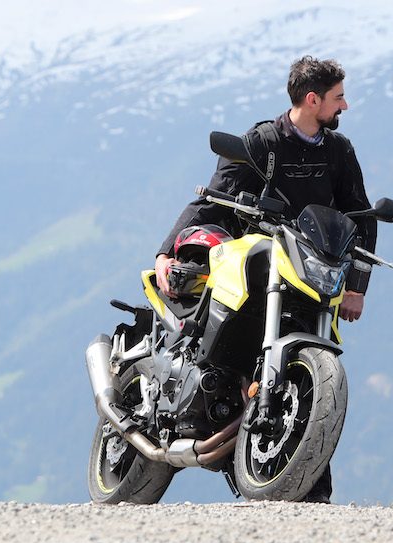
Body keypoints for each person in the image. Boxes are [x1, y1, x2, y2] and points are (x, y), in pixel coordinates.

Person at [153, 56, 377, 503]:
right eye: (338, 97)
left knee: (310, 374)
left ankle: (310, 493)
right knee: (233, 350)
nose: (345, 106)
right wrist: (165, 249)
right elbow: (213, 197)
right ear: (312, 100)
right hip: (257, 266)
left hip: (313, 269)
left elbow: (360, 216)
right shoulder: (261, 143)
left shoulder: (339, 150)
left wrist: (356, 286)